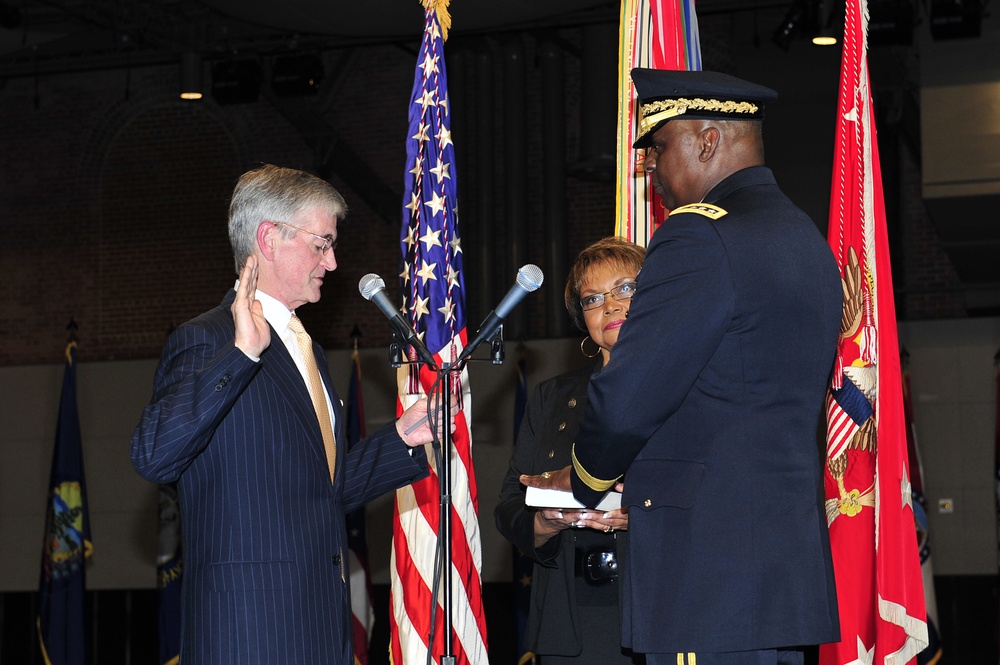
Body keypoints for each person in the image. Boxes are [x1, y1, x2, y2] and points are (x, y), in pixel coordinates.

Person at [523, 69, 843, 665]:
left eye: (660, 148)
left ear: (707, 140)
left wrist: (585, 479)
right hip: (777, 578)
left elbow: (629, 394)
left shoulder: (699, 237)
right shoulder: (803, 240)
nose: (653, 171)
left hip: (707, 577)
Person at [130, 164, 445, 665]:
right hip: (248, 633)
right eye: (322, 243)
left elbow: (324, 490)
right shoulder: (207, 340)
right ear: (269, 239)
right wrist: (240, 355)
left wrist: (403, 438)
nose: (334, 262)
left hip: (322, 627)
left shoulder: (308, 351)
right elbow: (153, 455)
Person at [495, 236, 645, 665]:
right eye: (593, 298)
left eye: (626, 288)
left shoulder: (692, 386)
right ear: (583, 318)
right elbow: (509, 504)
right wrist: (544, 521)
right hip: (567, 621)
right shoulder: (552, 397)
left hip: (658, 606)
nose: (611, 306)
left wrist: (643, 514)